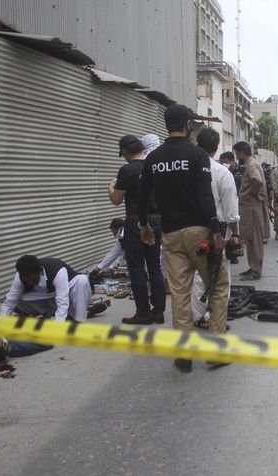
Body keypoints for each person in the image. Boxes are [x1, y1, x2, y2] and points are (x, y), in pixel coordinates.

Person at [137, 104, 226, 373]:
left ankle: (184, 354)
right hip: (199, 234)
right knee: (217, 286)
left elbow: (142, 196)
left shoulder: (154, 159)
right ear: (188, 124)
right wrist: (216, 230)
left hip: (171, 235)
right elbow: (205, 195)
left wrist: (143, 225)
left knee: (179, 293)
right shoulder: (197, 154)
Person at [109, 134, 166, 324]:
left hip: (135, 223)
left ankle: (143, 312)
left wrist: (111, 187)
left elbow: (116, 200)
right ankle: (159, 311)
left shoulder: (126, 170)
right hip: (157, 221)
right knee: (155, 266)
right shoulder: (156, 166)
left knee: (136, 268)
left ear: (126, 151)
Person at [192, 127, 238, 324]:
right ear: (216, 147)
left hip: (188, 228)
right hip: (216, 231)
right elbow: (230, 210)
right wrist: (235, 235)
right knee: (219, 276)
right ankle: (215, 319)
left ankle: (196, 315)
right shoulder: (222, 172)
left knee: (195, 274)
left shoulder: (188, 169)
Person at [0, 255, 93, 322]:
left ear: (40, 271)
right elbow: (9, 303)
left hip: (66, 294)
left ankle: (79, 321)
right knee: (17, 299)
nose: (30, 283)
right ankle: (51, 315)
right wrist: (0, 327)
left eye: (32, 280)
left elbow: (62, 302)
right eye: (27, 281)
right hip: (45, 298)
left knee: (82, 280)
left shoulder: (58, 271)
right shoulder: (20, 277)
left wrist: (57, 328)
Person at [233, 141, 269, 280]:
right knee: (250, 240)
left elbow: (257, 181)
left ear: (242, 152)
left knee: (254, 241)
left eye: (237, 153)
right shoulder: (251, 163)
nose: (237, 156)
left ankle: (255, 271)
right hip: (250, 207)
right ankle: (253, 267)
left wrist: (254, 193)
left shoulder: (251, 165)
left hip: (252, 208)